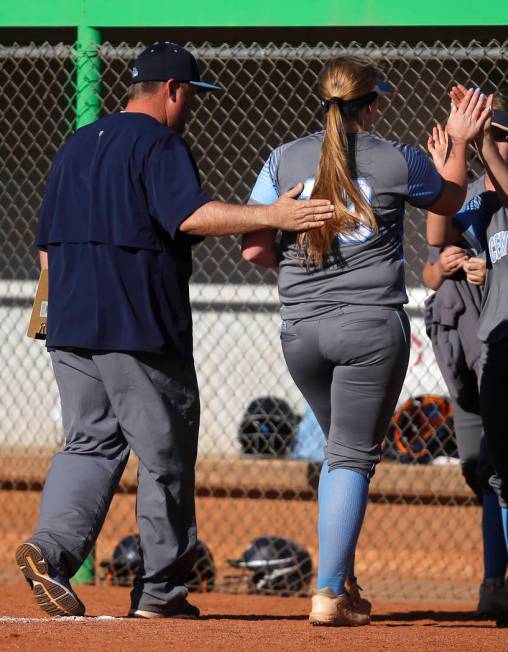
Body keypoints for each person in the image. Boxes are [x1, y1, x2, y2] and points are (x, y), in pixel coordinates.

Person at [15, 42, 335, 620]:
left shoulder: (74, 146)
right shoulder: (161, 143)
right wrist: (273, 216)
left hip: (69, 323)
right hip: (138, 326)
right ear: (170, 91)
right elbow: (189, 214)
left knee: (89, 442)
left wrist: (50, 317)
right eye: (191, 96)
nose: (191, 108)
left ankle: (50, 549)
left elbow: (44, 250)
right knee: (163, 454)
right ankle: (161, 591)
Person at [242, 56, 490, 626]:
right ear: (372, 104)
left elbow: (254, 250)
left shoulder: (283, 158)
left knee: (340, 454)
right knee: (352, 457)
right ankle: (328, 591)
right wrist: (456, 139)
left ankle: (343, 582)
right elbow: (451, 200)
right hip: (369, 328)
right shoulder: (395, 157)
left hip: (300, 328)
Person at [423, 115, 508, 616]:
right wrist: (446, 171)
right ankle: (494, 581)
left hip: (498, 339)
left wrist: (483, 147)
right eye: (488, 132)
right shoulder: (476, 192)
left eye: (498, 134)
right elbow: (435, 251)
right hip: (482, 347)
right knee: (488, 473)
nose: (490, 140)